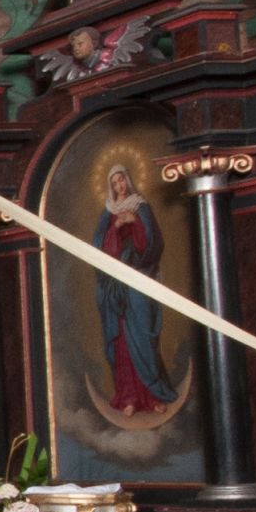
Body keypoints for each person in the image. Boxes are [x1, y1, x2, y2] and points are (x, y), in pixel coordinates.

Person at [93, 165, 178, 415]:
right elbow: (98, 247)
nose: (119, 186)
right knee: (121, 341)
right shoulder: (108, 211)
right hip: (116, 284)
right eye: (115, 183)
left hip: (139, 277)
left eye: (122, 181)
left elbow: (155, 243)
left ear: (128, 181)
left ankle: (152, 395)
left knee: (142, 335)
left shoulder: (141, 206)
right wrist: (115, 229)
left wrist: (135, 223)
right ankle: (129, 397)